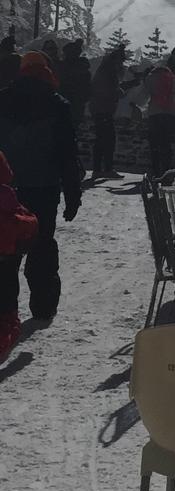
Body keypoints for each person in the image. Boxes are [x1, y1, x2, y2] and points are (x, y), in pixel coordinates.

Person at [0, 51, 81, 325]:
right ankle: (43, 307)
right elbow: (67, 155)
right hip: (43, 187)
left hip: (5, 188)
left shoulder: (3, 99)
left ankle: (5, 310)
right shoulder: (57, 104)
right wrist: (73, 194)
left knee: (5, 249)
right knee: (42, 246)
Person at [0, 151, 39, 361]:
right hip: (6, 259)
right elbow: (27, 224)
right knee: (6, 306)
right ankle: (6, 339)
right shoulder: (7, 197)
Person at [89, 45, 145, 179]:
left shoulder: (105, 70)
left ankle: (98, 169)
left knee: (101, 140)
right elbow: (113, 91)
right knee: (108, 140)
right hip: (103, 109)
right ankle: (107, 168)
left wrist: (130, 84)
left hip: (99, 109)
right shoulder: (109, 72)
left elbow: (115, 88)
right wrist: (128, 86)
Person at [142, 58, 175, 178]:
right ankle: (167, 171)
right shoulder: (174, 78)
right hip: (170, 115)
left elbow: (144, 94)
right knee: (166, 144)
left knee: (154, 144)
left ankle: (156, 171)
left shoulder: (150, 78)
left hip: (154, 115)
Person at [57, 38, 93, 129]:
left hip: (65, 100)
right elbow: (87, 86)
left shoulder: (63, 66)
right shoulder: (83, 67)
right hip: (78, 102)